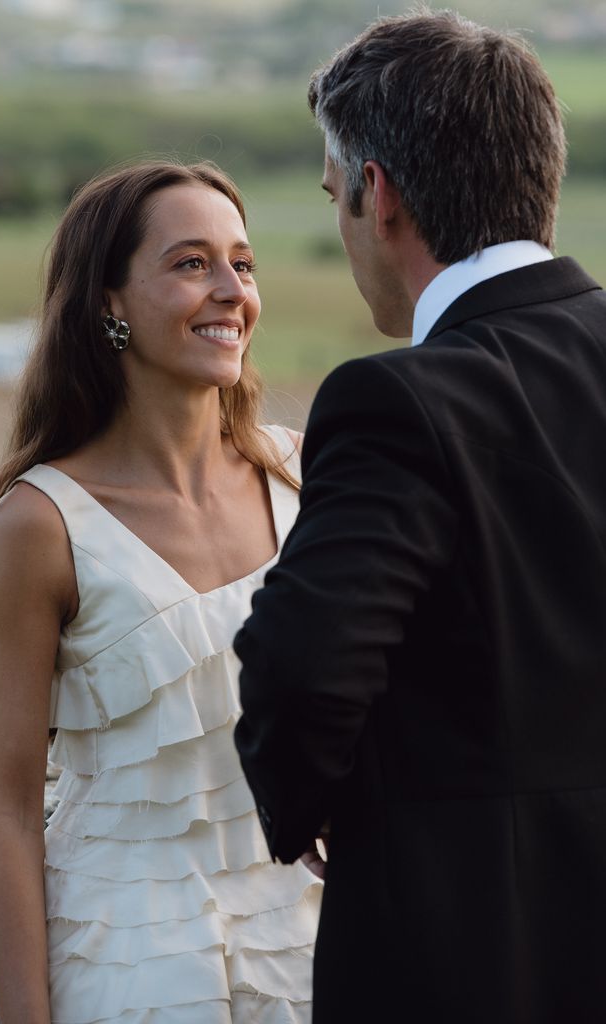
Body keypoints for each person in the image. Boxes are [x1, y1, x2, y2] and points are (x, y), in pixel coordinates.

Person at [234, 10, 606, 1023]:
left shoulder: (395, 402)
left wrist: (301, 795)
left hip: (460, 941)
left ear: (376, 194)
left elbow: (301, 666)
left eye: (332, 194)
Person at [0, 160, 321, 1023]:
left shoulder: (303, 473)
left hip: (307, 947)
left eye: (241, 264)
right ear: (109, 303)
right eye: (190, 264)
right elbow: (8, 814)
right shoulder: (44, 522)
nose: (229, 291)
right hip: (121, 960)